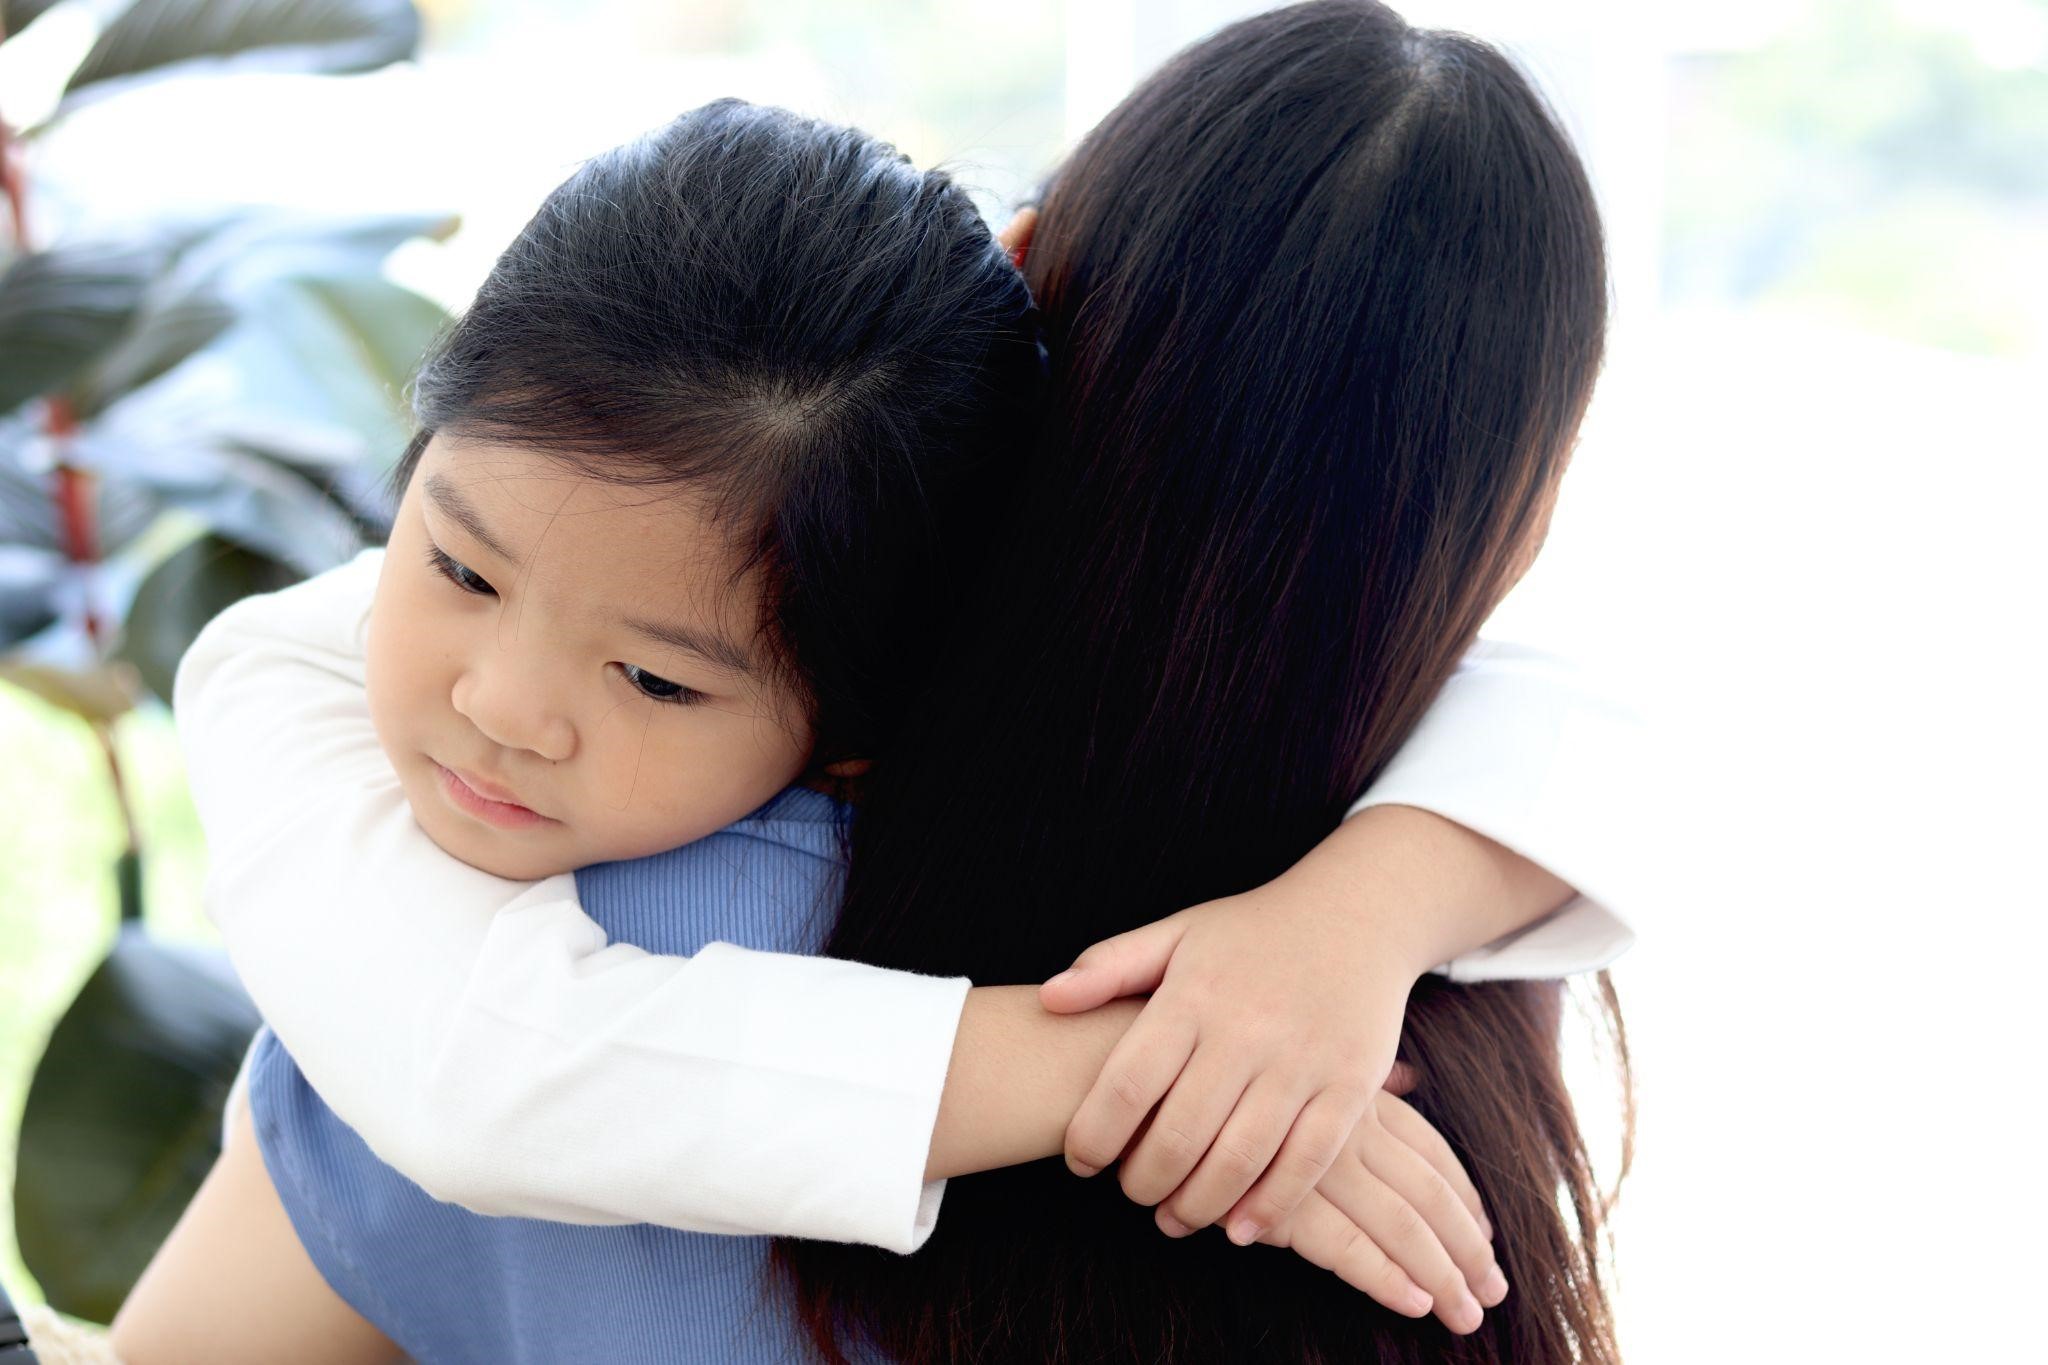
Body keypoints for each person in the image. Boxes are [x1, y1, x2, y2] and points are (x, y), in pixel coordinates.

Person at [106, 5, 1635, 1361]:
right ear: (1529, 520)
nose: (510, 704)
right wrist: (1344, 937)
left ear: (1016, 271)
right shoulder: (1453, 1024)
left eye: (652, 671)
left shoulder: (540, 907)